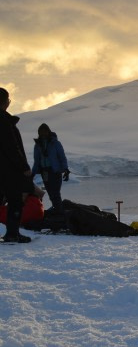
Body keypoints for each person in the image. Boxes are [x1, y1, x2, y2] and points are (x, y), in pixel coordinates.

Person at [0, 87, 33, 243]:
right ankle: (12, 233)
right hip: (8, 170)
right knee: (15, 200)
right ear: (6, 102)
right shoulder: (4, 121)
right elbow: (11, 147)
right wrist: (24, 167)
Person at [32, 122, 69, 210]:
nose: (43, 133)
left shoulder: (55, 143)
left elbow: (62, 157)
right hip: (44, 172)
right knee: (50, 193)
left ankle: (60, 212)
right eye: (41, 132)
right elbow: (37, 161)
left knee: (55, 193)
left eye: (45, 131)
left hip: (55, 171)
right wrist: (33, 173)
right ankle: (57, 210)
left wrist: (66, 170)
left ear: (48, 131)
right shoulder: (38, 145)